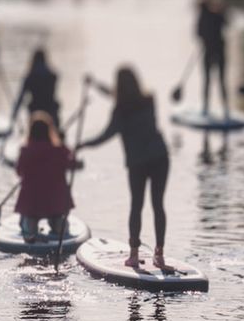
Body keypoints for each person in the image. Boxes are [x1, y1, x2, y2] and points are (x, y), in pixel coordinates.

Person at [80, 67, 171, 268]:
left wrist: (84, 144)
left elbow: (106, 135)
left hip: (138, 163)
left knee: (136, 206)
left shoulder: (120, 111)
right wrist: (96, 85)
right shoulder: (149, 100)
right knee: (158, 205)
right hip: (160, 157)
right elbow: (115, 94)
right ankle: (159, 255)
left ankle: (134, 255)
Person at [14, 111, 76, 242]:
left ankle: (29, 226)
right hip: (55, 202)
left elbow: (19, 171)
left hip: (32, 203)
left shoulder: (26, 151)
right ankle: (58, 225)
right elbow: (72, 164)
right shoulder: (60, 151)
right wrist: (62, 142)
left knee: (29, 225)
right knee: (59, 225)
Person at [195, 0, 230, 118]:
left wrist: (205, 39)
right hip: (217, 51)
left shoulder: (206, 16)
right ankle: (224, 108)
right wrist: (223, 10)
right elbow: (226, 23)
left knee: (208, 80)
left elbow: (198, 34)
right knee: (220, 80)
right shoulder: (217, 15)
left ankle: (207, 108)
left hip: (211, 52)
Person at [10, 48, 60, 130]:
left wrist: (14, 113)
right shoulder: (53, 76)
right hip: (51, 113)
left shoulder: (29, 77)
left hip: (35, 114)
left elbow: (21, 97)